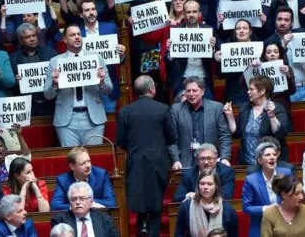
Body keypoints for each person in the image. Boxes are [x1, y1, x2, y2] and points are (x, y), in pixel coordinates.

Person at [117, 75, 176, 236]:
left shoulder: (125, 111)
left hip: (135, 159)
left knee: (139, 195)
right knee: (156, 200)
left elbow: (120, 141)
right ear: (152, 88)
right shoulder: (163, 109)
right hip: (157, 160)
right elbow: (172, 137)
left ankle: (142, 225)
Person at [44, 24, 113, 146]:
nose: (77, 37)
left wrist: (101, 82)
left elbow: (109, 89)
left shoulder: (96, 58)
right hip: (67, 121)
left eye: (78, 34)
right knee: (72, 159)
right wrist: (55, 84)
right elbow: (47, 95)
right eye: (72, 35)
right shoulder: (55, 62)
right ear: (64, 40)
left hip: (93, 118)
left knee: (93, 159)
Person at [59, 0, 126, 113]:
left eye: (93, 9)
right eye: (87, 10)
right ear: (81, 14)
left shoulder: (110, 28)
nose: (91, 12)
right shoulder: (76, 32)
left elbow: (119, 60)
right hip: (85, 89)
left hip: (106, 87)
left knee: (109, 126)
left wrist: (121, 55)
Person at [224, 75, 289, 165]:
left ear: (262, 91)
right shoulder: (245, 108)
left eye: (251, 89)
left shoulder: (278, 108)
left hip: (271, 164)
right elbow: (236, 134)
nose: (248, 92)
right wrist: (229, 116)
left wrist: (272, 116)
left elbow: (280, 134)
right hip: (247, 163)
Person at [169, 77, 232, 168]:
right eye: (188, 91)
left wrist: (224, 158)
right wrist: (176, 160)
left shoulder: (216, 108)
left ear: (202, 91)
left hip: (210, 161)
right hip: (185, 162)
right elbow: (172, 139)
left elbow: (224, 136)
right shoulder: (176, 109)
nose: (191, 94)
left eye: (194, 91)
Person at [165, 0, 217, 99]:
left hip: (203, 79)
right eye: (188, 12)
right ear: (184, 14)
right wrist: (170, 52)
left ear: (199, 13)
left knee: (209, 106)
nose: (191, 15)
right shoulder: (175, 31)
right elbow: (167, 61)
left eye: (194, 11)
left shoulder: (208, 30)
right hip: (182, 79)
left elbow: (216, 59)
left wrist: (213, 49)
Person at [141, 0, 191, 91]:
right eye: (175, 0)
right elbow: (150, 38)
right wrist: (139, 24)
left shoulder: (193, 19)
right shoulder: (167, 21)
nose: (178, 2)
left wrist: (175, 25)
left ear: (187, 3)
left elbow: (189, 37)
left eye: (181, 0)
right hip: (170, 66)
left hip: (188, 67)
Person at [264, 7, 305, 102]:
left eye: (286, 20)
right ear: (275, 21)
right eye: (279, 19)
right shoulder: (268, 42)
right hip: (284, 91)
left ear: (292, 23)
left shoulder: (303, 35)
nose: (282, 23)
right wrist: (283, 45)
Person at [242, 141, 292, 237]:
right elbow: (247, 208)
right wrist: (266, 209)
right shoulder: (251, 180)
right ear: (260, 160)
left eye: (274, 154)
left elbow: (294, 197)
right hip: (261, 224)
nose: (272, 157)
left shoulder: (286, 174)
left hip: (284, 223)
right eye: (268, 155)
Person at [9, 23, 57, 116]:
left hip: (50, 103)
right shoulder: (13, 59)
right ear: (21, 40)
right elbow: (9, 84)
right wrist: (16, 81)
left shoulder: (51, 53)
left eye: (34, 35)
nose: (32, 39)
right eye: (27, 37)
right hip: (27, 106)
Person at [174, 170, 239, 237]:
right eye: (202, 183)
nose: (205, 187)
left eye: (209, 184)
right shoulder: (186, 207)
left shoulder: (228, 210)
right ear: (198, 186)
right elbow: (178, 234)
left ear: (216, 186)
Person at [51, 147, 117, 210]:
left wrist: (89, 202)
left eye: (89, 161)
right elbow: (55, 206)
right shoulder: (63, 180)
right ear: (72, 166)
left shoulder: (101, 175)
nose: (88, 166)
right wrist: (77, 206)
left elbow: (111, 203)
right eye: (83, 163)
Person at [51, 181, 119, 237]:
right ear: (70, 202)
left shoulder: (105, 220)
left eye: (82, 198)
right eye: (74, 199)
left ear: (91, 201)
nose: (78, 202)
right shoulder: (60, 220)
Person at [213, 19, 256, 104]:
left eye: (245, 28)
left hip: (255, 91)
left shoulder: (259, 48)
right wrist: (218, 62)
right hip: (234, 92)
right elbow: (220, 75)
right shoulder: (227, 48)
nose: (241, 31)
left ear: (250, 31)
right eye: (238, 28)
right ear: (235, 32)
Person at [244, 41, 295, 112]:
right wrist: (250, 68)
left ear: (280, 54)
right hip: (260, 106)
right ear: (264, 55)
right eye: (268, 52)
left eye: (276, 52)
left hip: (281, 107)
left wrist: (288, 74)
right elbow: (242, 84)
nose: (272, 54)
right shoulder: (258, 68)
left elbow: (292, 91)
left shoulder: (287, 68)